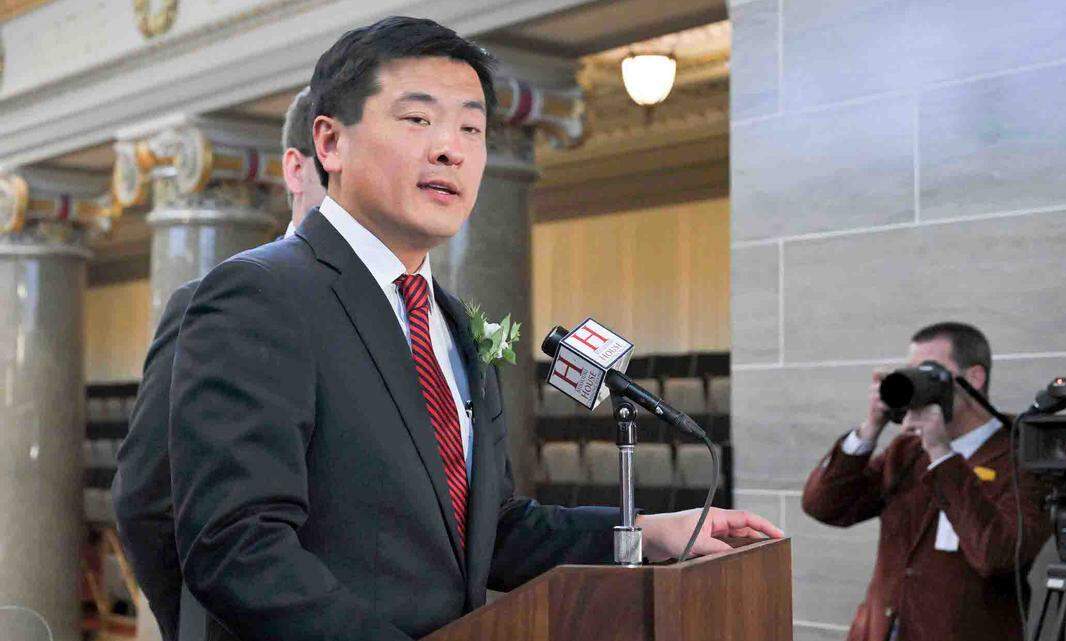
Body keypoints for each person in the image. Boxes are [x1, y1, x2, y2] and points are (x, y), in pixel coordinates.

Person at [167, 16, 782, 641]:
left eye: (472, 127)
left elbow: (490, 529)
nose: (450, 148)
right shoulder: (262, 294)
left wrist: (644, 533)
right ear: (330, 143)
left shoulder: (452, 320)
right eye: (417, 119)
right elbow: (236, 545)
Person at [111, 86, 325, 641]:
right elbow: (145, 501)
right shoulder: (211, 302)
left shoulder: (413, 315)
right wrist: (196, 623)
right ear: (297, 171)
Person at [802, 322, 1052, 641]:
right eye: (912, 372)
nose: (918, 383)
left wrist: (941, 453)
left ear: (974, 377)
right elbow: (823, 507)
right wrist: (870, 429)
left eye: (931, 372)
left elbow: (998, 556)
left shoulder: (1022, 457)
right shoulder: (907, 449)